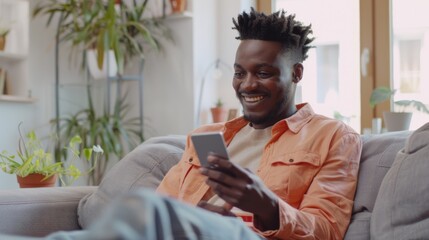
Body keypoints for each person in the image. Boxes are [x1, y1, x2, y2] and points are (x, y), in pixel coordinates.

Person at [1, 8, 361, 240]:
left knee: (150, 209)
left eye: (263, 73)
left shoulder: (332, 136)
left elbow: (327, 229)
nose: (247, 85)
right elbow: (162, 207)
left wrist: (265, 205)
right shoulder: (207, 137)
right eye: (240, 73)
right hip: (185, 232)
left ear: (296, 72)